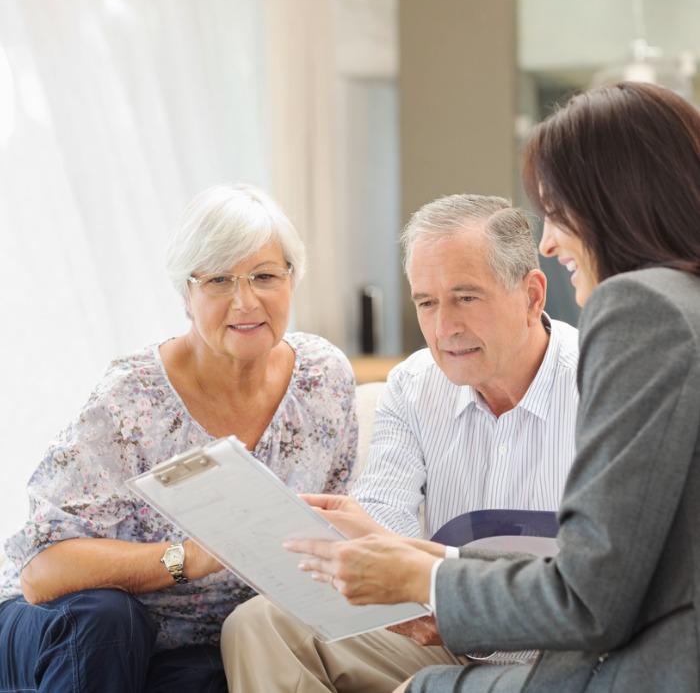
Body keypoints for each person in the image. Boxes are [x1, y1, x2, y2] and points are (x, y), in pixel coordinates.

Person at [284, 80, 700, 692]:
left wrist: (421, 580)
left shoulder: (640, 309)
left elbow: (588, 597)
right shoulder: (683, 303)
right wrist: (425, 563)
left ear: (617, 201)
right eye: (426, 302)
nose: (552, 239)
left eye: (558, 213)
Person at [0, 183, 357, 693]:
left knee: (213, 673)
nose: (245, 300)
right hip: (68, 627)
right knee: (108, 622)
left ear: (292, 280)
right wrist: (187, 557)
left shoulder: (324, 380)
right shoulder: (132, 396)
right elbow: (41, 571)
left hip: (199, 642)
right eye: (218, 280)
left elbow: (336, 528)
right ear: (185, 294)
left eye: (264, 276)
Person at [221, 194, 580, 691]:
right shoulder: (413, 386)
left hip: (569, 647)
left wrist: (437, 583)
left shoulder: (603, 383)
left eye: (466, 297)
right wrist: (357, 540)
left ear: (533, 295)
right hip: (447, 632)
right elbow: (382, 518)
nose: (443, 328)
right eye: (426, 302)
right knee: (260, 625)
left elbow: (606, 578)